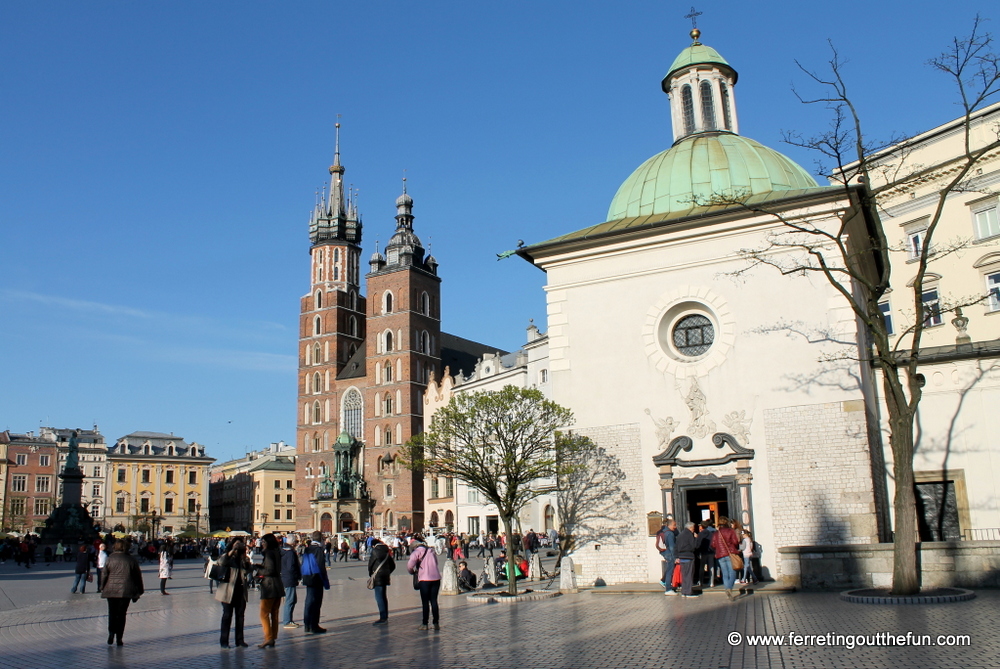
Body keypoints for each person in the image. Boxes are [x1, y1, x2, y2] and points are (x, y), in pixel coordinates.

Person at [101, 540, 144, 646]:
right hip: (125, 590)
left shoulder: (110, 559)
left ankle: (111, 633)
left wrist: (102, 586)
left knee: (112, 613)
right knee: (121, 614)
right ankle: (119, 638)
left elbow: (104, 574)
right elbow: (137, 576)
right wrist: (140, 590)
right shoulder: (131, 560)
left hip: (111, 590)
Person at [216, 540, 251, 648]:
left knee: (240, 617)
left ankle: (239, 640)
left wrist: (245, 556)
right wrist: (232, 551)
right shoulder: (227, 557)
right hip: (228, 591)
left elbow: (249, 569)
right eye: (236, 544)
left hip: (240, 591)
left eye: (240, 545)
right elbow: (221, 562)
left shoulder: (243, 558)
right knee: (227, 616)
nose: (238, 547)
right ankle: (224, 641)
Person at [407, 534, 441, 631]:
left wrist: (412, 572)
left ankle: (425, 623)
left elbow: (410, 565)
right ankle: (436, 622)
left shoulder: (416, 552)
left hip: (424, 579)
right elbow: (436, 563)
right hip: (436, 578)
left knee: (425, 602)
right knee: (434, 601)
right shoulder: (431, 551)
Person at [256, 533, 284, 648]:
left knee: (264, 613)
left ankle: (268, 637)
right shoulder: (277, 552)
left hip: (269, 586)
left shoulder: (268, 553)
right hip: (278, 584)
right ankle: (273, 637)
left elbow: (269, 570)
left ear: (267, 543)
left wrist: (258, 569)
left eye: (263, 542)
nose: (262, 544)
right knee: (274, 613)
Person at [302, 531, 330, 634]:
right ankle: (314, 625)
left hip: (308, 577)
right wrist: (325, 580)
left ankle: (307, 625)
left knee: (308, 601)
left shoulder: (307, 549)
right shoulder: (318, 550)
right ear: (321, 539)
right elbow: (321, 566)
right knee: (316, 602)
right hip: (316, 578)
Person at [711, 517, 741, 601]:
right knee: (733, 572)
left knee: (725, 574)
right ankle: (729, 588)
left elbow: (713, 544)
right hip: (730, 554)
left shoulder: (716, 533)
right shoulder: (731, 531)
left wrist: (718, 549)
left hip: (720, 555)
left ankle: (727, 589)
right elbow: (735, 542)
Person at [368, 537, 396, 625]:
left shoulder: (375, 551)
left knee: (379, 597)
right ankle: (385, 616)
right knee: (383, 596)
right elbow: (393, 565)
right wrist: (387, 572)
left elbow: (370, 564)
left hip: (378, 577)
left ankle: (383, 618)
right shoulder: (386, 551)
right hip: (385, 577)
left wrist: (371, 574)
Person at [281, 536, 302, 629]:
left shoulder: (282, 551)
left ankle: (289, 620)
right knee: (290, 600)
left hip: (284, 578)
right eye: (296, 542)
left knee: (292, 599)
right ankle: (287, 621)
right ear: (293, 543)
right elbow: (291, 567)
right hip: (289, 579)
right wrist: (297, 576)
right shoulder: (290, 553)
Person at [675, 522, 699, 598]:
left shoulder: (680, 535)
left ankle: (684, 591)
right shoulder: (689, 535)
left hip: (681, 557)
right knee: (689, 575)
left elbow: (676, 547)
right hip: (689, 556)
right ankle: (688, 592)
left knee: (684, 575)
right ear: (691, 527)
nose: (693, 529)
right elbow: (694, 546)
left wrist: (676, 557)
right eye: (693, 528)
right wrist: (696, 538)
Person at [656, 519, 678, 595]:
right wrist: (675, 557)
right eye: (674, 525)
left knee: (669, 569)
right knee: (670, 571)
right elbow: (672, 547)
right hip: (670, 554)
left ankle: (664, 582)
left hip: (665, 553)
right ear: (669, 525)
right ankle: (668, 589)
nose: (675, 527)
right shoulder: (670, 534)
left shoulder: (663, 532)